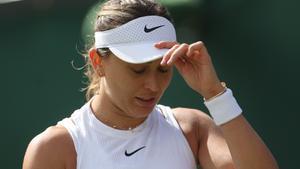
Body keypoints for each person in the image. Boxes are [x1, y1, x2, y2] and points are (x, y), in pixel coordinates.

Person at [23, 0, 279, 169]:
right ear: (98, 62)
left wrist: (215, 94)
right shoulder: (54, 149)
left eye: (163, 69)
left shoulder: (192, 128)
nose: (153, 85)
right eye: (137, 70)